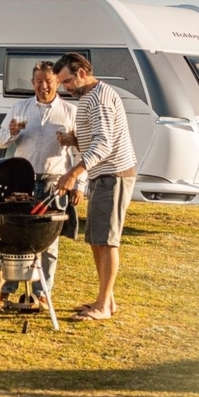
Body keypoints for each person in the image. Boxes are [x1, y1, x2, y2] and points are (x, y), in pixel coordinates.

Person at [51, 52, 137, 322]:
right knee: (97, 240)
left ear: (81, 73)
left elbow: (104, 143)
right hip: (103, 175)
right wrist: (74, 140)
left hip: (114, 174)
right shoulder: (89, 97)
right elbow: (96, 137)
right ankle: (106, 300)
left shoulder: (99, 98)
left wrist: (73, 173)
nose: (65, 88)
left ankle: (103, 306)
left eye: (66, 81)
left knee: (107, 241)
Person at [0, 60, 85, 301]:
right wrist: (11, 132)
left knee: (49, 241)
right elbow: (0, 141)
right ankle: (7, 289)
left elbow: (82, 152)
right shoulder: (20, 108)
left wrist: (79, 185)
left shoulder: (70, 112)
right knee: (14, 235)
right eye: (38, 81)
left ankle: (42, 292)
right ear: (32, 82)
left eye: (48, 81)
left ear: (57, 82)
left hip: (54, 183)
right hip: (21, 181)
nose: (43, 86)